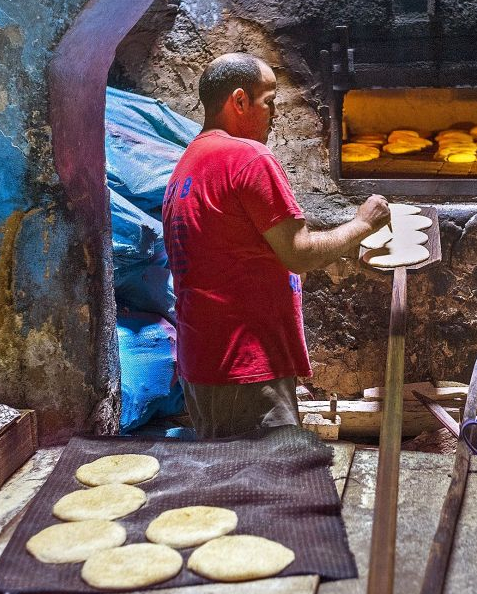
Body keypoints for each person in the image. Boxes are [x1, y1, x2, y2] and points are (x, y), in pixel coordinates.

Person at [163, 52, 390, 439]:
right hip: (244, 365)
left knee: (226, 483)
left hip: (204, 364)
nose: (275, 114)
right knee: (271, 484)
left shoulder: (190, 162)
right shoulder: (248, 157)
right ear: (238, 101)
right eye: (269, 101)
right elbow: (297, 253)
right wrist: (362, 224)